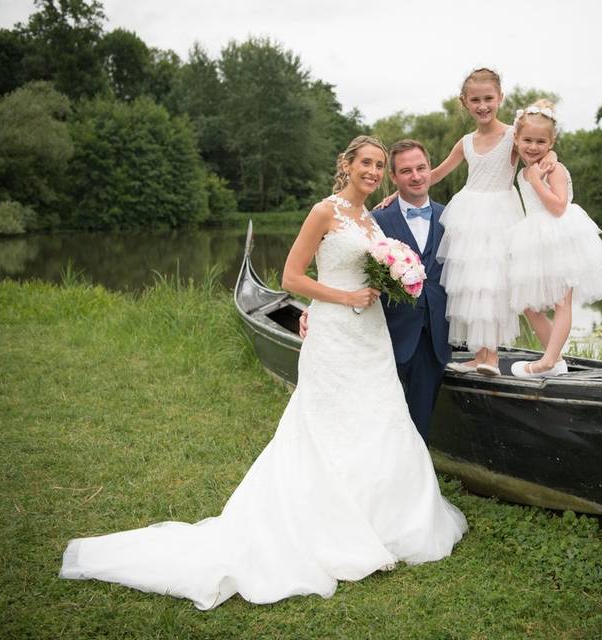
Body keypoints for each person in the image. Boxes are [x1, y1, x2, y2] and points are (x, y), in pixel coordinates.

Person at [59, 136, 467, 609]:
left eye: (380, 165)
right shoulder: (324, 212)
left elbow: (378, 257)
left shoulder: (371, 219)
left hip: (370, 335)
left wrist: (389, 280)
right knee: (328, 423)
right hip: (338, 330)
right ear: (348, 165)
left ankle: (384, 520)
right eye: (367, 163)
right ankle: (321, 525)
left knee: (378, 418)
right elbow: (292, 279)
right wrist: (343, 299)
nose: (374, 171)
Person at [301, 139, 449, 442]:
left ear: (431, 170)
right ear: (394, 178)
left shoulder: (451, 218)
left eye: (422, 168)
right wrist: (313, 307)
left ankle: (411, 476)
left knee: (419, 420)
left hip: (434, 336)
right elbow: (347, 266)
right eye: (405, 171)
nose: (416, 176)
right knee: (370, 413)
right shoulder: (375, 220)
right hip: (384, 334)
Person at [427, 68, 554, 376]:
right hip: (469, 215)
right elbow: (434, 175)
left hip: (500, 215)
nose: (482, 106)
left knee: (494, 284)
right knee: (473, 286)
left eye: (488, 98)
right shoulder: (466, 142)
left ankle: (493, 358)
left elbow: (537, 148)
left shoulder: (513, 135)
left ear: (500, 98)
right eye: (475, 100)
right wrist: (397, 195)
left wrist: (550, 161)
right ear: (464, 102)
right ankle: (479, 354)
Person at [507, 101, 602, 377]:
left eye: (541, 142)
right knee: (527, 305)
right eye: (527, 140)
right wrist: (532, 174)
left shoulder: (554, 169)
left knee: (561, 303)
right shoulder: (524, 169)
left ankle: (547, 361)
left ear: (551, 142)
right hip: (534, 240)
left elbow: (558, 206)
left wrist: (538, 181)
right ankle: (557, 359)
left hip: (561, 236)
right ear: (516, 139)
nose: (533, 146)